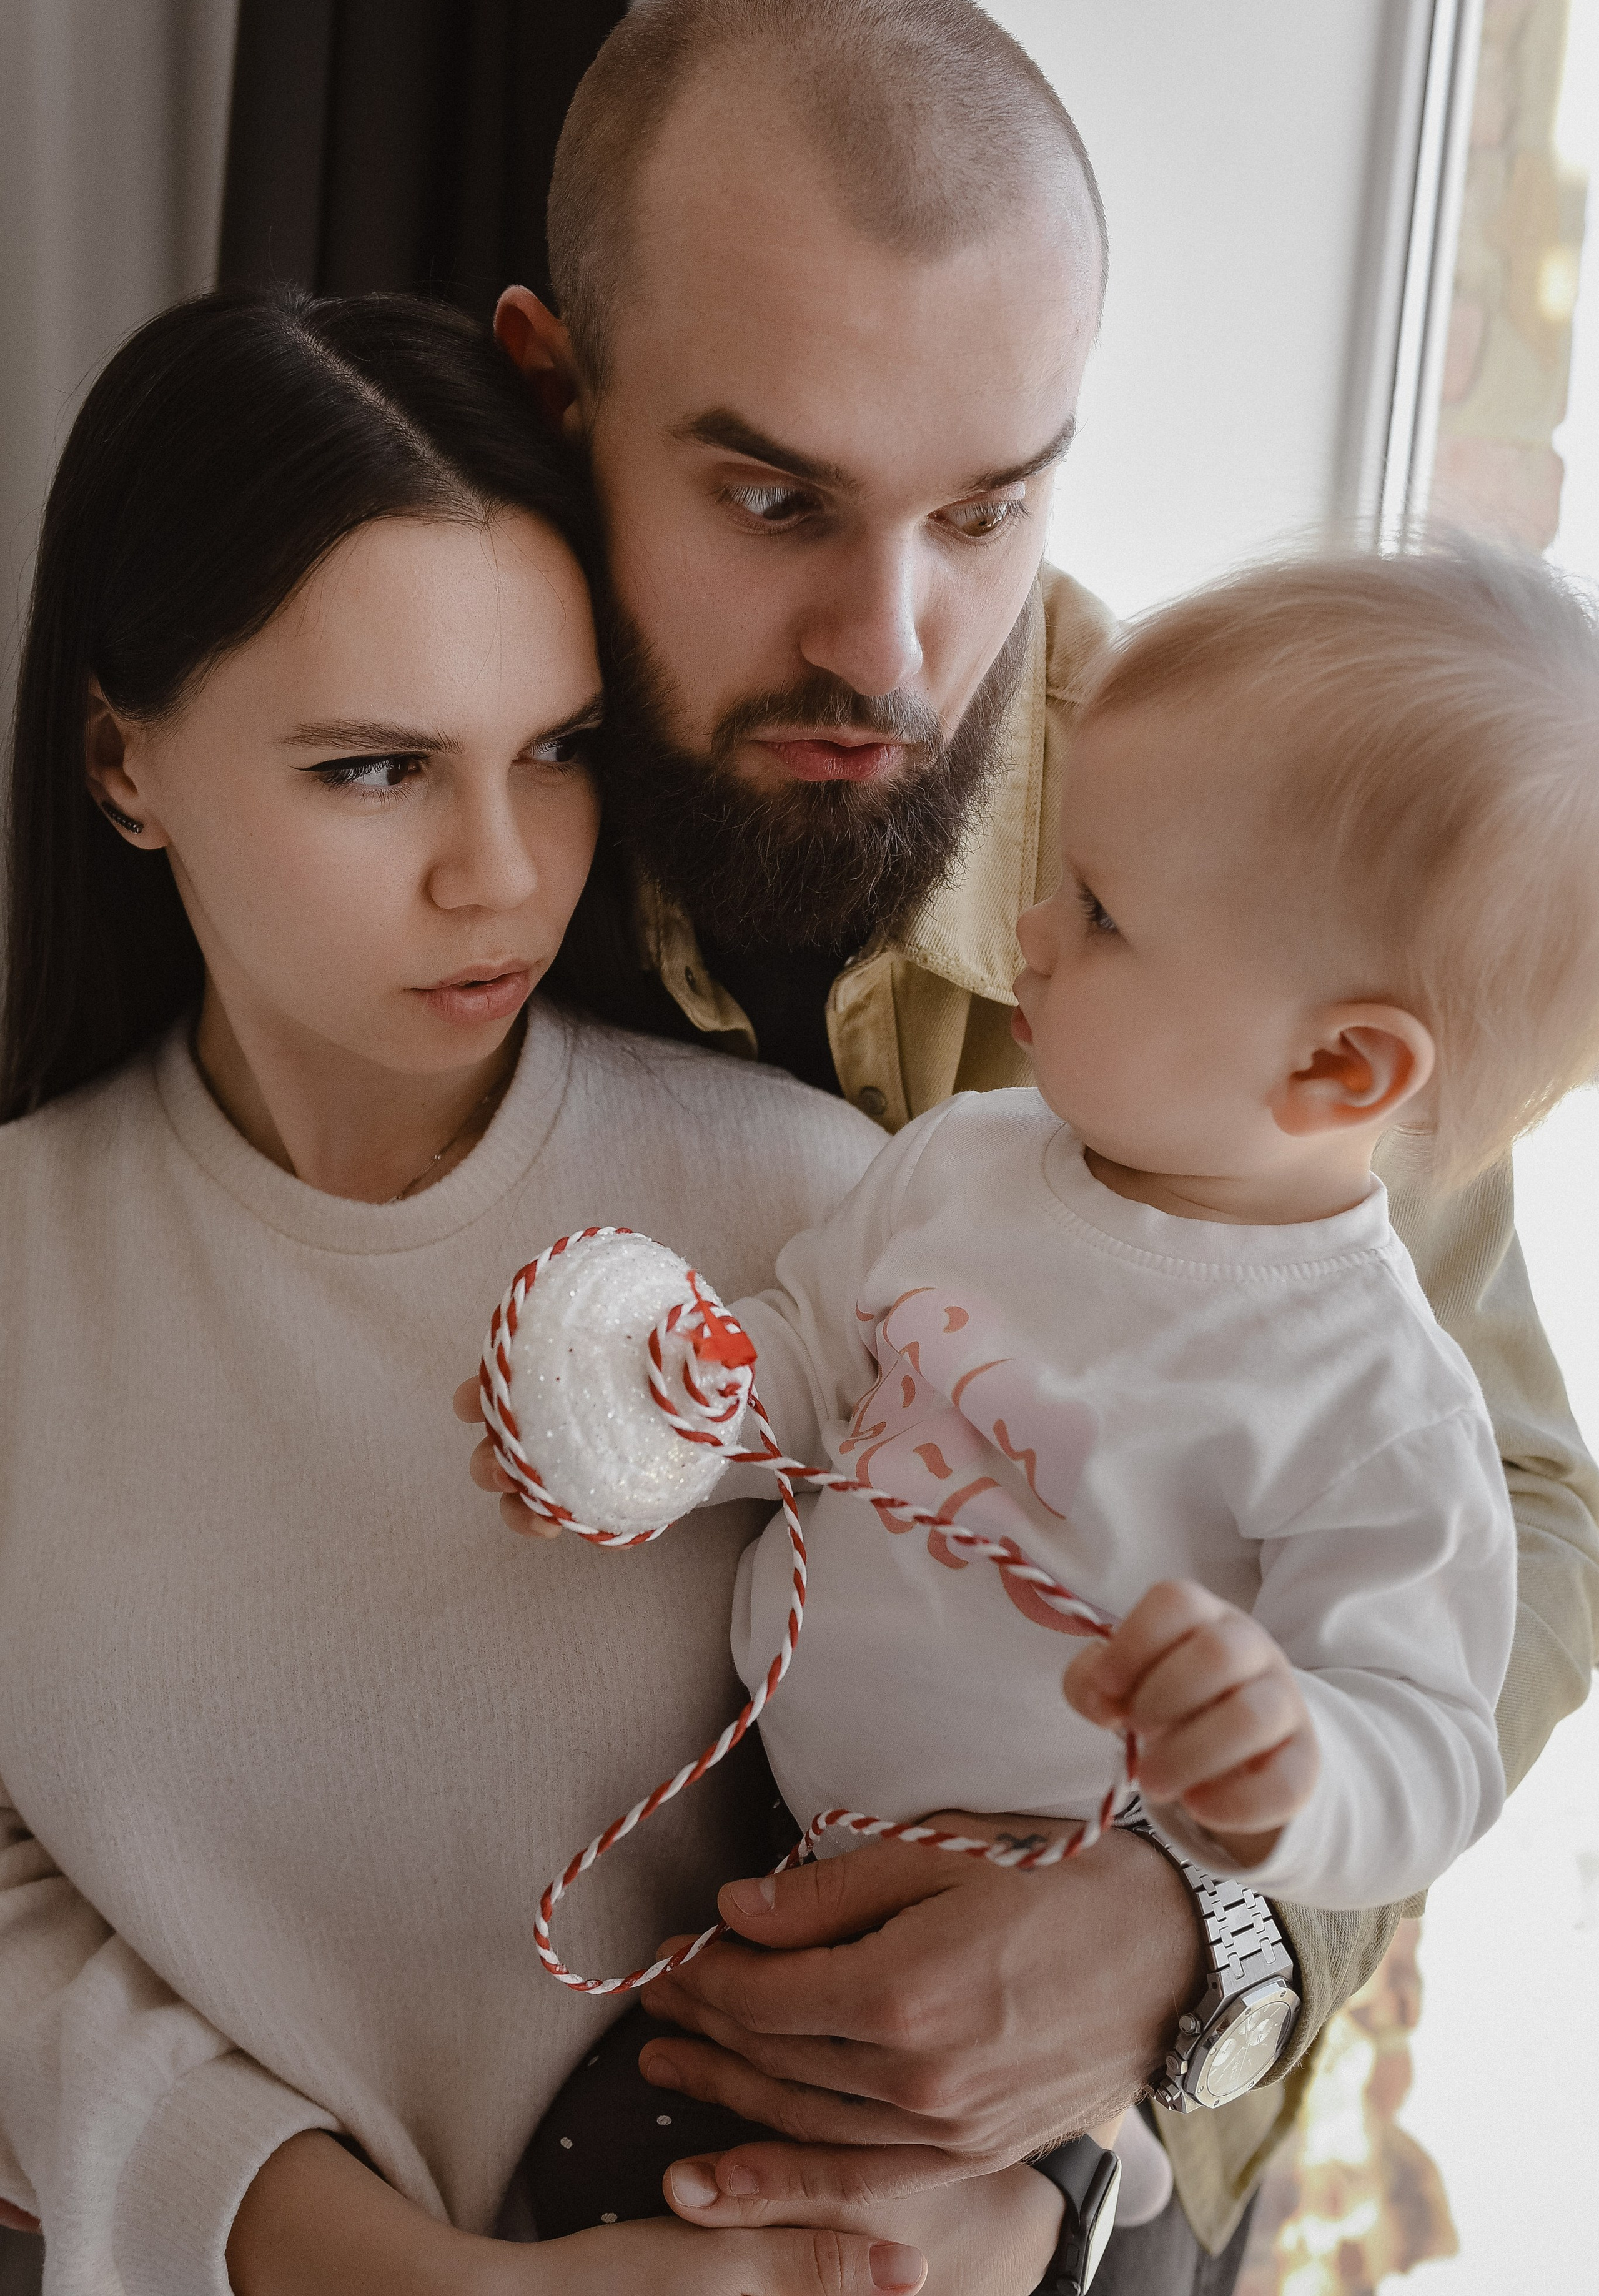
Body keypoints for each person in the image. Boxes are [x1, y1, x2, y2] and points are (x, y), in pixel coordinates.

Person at [487, 0, 1599, 2290]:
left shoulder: (1261, 852)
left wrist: (1186, 1940)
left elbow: (1520, 1513)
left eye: (990, 507)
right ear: (556, 397)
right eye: (776, 500)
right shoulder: (388, 751)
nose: (897, 647)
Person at [0, 285, 1069, 2296]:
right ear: (120, 761)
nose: (501, 870)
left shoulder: (808, 1215)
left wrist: (1010, 2207)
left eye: (560, 749)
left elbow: (1022, 1779)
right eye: (379, 769)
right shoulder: (25, 1284)